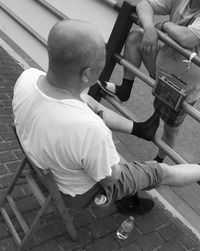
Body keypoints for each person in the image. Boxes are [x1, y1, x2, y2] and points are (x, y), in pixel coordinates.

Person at [12, 19, 200, 213]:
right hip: (78, 193)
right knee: (159, 172)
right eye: (100, 65)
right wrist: (109, 154)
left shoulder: (27, 77)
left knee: (85, 101)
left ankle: (139, 129)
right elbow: (111, 177)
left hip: (41, 163)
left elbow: (81, 110)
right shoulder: (91, 129)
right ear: (86, 74)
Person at [102, 0, 200, 163]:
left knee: (170, 130)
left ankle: (158, 161)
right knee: (136, 37)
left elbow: (187, 38)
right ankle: (125, 88)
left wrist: (165, 24)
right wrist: (149, 29)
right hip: (161, 68)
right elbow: (143, 5)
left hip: (181, 87)